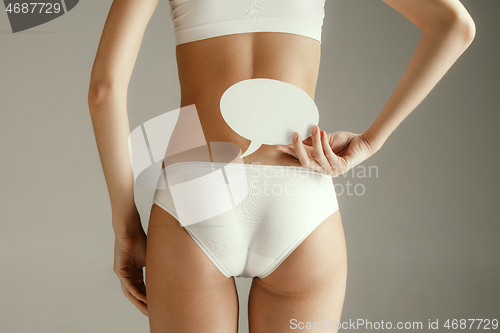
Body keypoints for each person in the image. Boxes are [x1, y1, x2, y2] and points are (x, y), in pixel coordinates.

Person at [88, 0, 475, 332]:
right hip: (300, 191)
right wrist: (372, 140)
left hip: (195, 191)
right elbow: (455, 26)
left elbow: (104, 90)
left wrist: (127, 228)